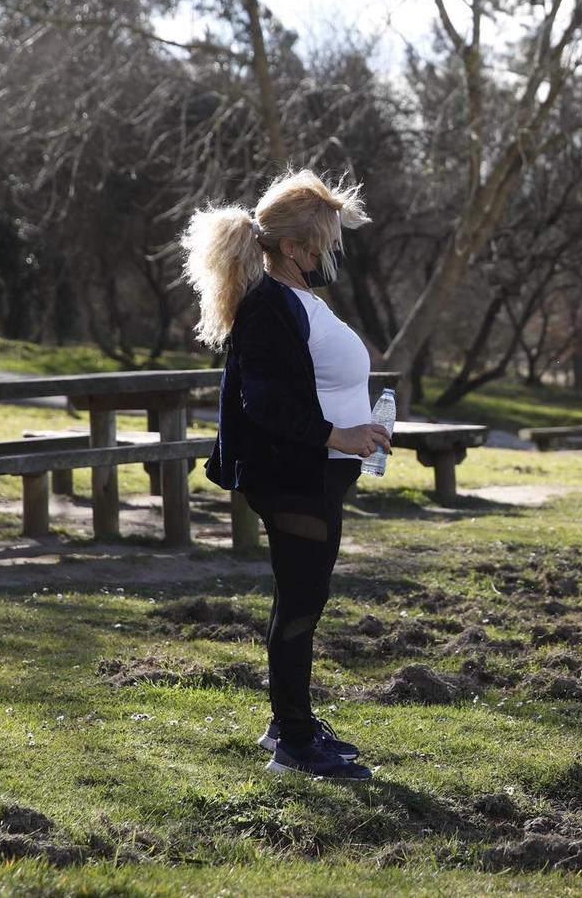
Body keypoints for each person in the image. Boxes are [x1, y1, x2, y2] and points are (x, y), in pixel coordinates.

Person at [182, 169, 392, 781]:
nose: (330, 254)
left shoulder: (295, 299)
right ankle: (294, 742)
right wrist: (342, 435)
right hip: (295, 475)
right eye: (325, 243)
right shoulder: (270, 304)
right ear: (297, 248)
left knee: (302, 595)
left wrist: (360, 428)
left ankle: (288, 723)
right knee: (303, 599)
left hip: (319, 472)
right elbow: (266, 403)